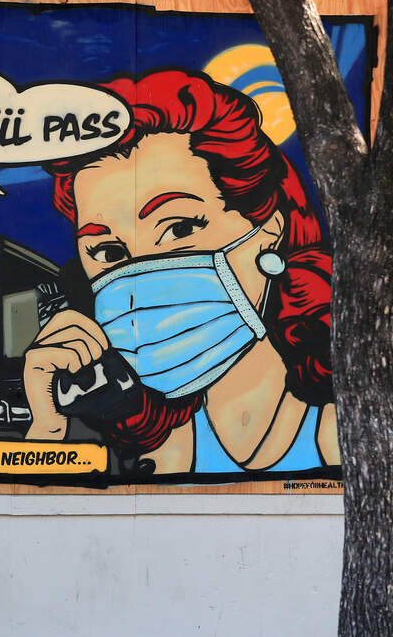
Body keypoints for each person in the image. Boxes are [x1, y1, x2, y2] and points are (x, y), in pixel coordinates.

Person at [26, 68, 339, 474]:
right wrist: (49, 428)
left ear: (269, 231)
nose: (140, 278)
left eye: (180, 229)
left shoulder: (342, 433)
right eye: (108, 251)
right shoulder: (159, 455)